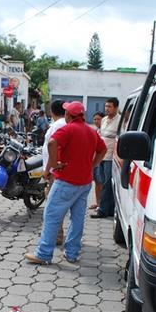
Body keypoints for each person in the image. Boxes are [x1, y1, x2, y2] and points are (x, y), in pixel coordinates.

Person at [25, 101, 106, 264]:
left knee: (51, 215)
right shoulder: (91, 132)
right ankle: (72, 253)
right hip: (84, 183)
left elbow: (52, 143)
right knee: (77, 219)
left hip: (67, 181)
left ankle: (43, 254)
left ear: (69, 115)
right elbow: (103, 149)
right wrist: (92, 164)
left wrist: (53, 164)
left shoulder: (68, 129)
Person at [42, 100, 66, 246]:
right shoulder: (61, 124)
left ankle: (56, 237)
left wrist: (48, 170)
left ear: (52, 111)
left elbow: (53, 148)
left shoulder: (58, 125)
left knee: (53, 206)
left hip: (54, 171)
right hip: (56, 169)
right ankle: (57, 235)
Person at [91, 98, 121, 219]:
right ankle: (108, 208)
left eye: (110, 106)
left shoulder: (120, 120)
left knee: (108, 183)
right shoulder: (103, 120)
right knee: (102, 182)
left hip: (111, 156)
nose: (107, 109)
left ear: (116, 107)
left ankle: (103, 209)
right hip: (101, 155)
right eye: (106, 106)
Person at [90, 112, 105, 210]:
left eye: (98, 119)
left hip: (102, 160)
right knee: (96, 182)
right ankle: (97, 202)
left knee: (100, 182)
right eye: (94, 119)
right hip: (94, 159)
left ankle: (101, 204)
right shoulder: (96, 131)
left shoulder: (105, 131)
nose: (96, 121)